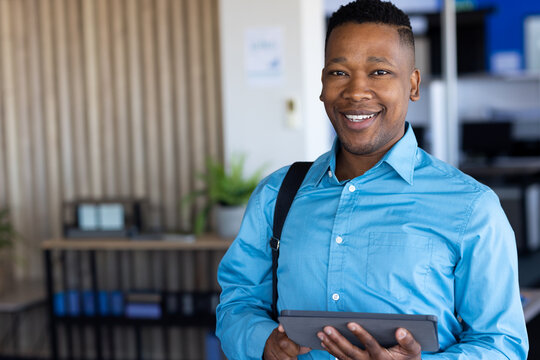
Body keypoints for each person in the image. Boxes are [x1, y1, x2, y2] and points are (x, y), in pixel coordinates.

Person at [215, 0, 529, 359]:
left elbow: (503, 345)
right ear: (321, 84)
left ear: (412, 84)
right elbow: (237, 301)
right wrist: (265, 343)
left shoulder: (473, 208)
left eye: (379, 72)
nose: (356, 92)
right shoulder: (277, 195)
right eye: (339, 73)